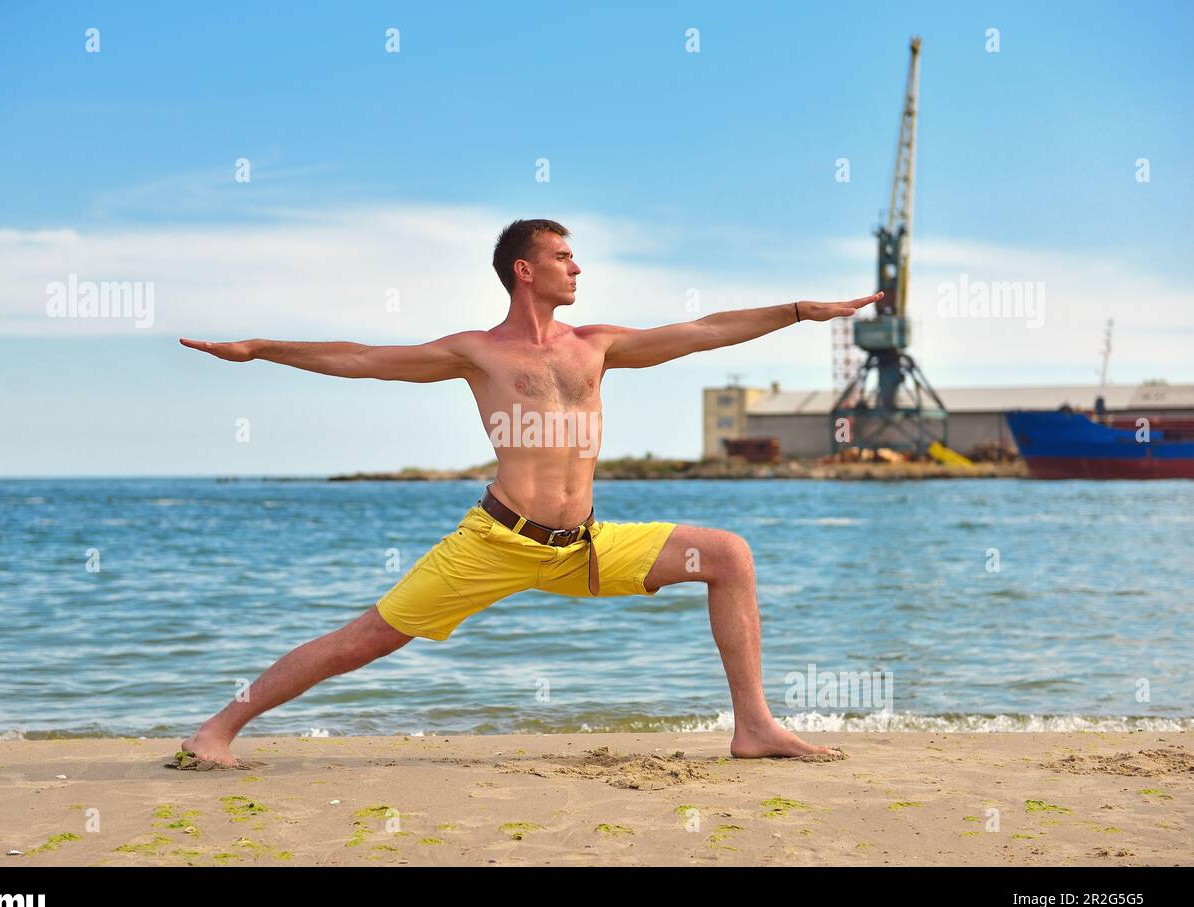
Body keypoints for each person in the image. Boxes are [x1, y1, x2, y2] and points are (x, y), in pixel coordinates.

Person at [178, 218, 882, 766]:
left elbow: (701, 331)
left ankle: (754, 726)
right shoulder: (477, 352)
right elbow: (362, 358)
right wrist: (261, 348)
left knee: (727, 554)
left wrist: (797, 310)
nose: (577, 267)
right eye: (563, 257)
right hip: (495, 541)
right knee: (363, 640)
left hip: (586, 546)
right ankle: (217, 728)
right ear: (525, 268)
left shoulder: (596, 344)